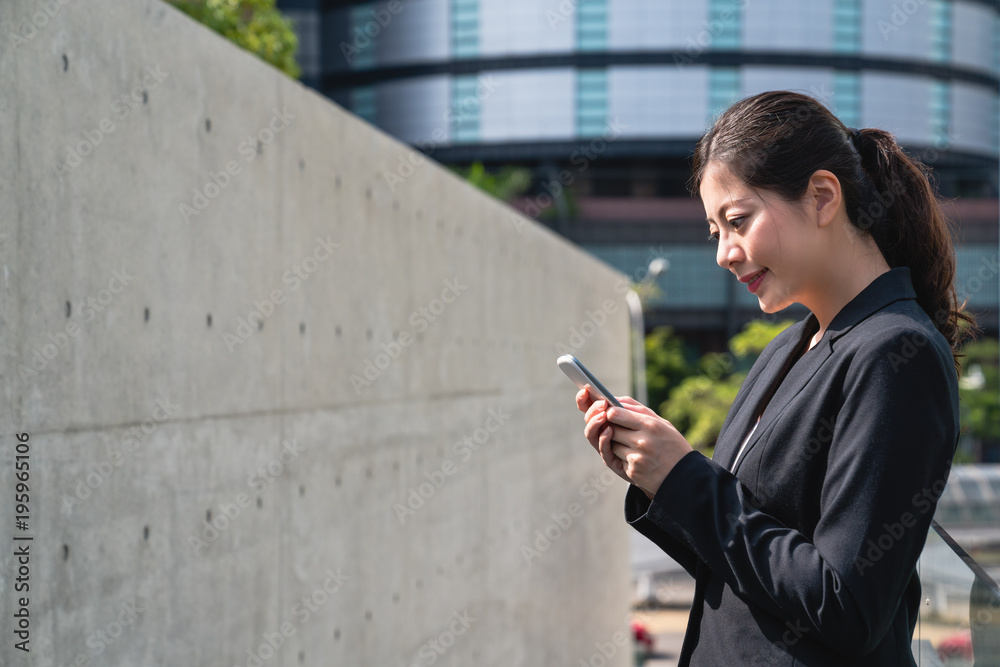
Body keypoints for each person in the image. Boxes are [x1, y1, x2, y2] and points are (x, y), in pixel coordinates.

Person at [575, 90, 975, 665]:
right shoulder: (788, 347)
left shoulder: (896, 352)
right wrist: (658, 475)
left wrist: (685, 477)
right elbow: (747, 569)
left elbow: (846, 606)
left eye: (737, 221)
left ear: (821, 196)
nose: (724, 254)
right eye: (715, 230)